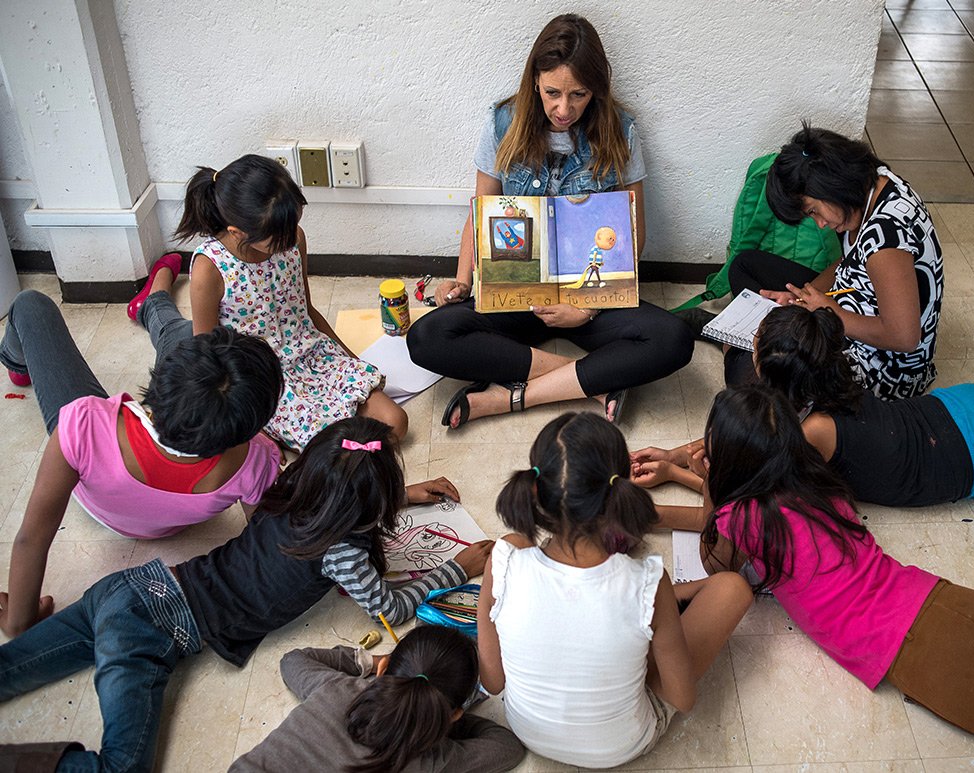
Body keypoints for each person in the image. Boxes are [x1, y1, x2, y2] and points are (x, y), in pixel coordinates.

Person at [0, 416, 492, 772]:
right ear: (373, 498)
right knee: (122, 766)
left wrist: (399, 494)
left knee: (11, 667)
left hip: (127, 589)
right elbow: (391, 607)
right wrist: (455, 567)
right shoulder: (343, 550)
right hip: (148, 631)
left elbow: (337, 487)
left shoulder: (290, 487)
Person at [697, 385, 974, 772]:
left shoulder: (739, 518)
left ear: (730, 461)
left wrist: (709, 492)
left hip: (922, 655)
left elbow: (714, 566)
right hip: (948, 600)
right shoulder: (817, 480)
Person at [632, 271, 974, 508]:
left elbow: (752, 503)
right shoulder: (827, 374)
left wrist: (680, 472)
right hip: (963, 405)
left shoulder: (808, 434)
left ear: (764, 372)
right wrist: (674, 453)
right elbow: (749, 449)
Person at [407, 14, 693, 428]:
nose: (564, 108)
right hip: (515, 292)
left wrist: (586, 308)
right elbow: (480, 210)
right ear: (535, 81)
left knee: (674, 339)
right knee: (426, 337)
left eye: (578, 94)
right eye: (553, 92)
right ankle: (589, 378)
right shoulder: (502, 122)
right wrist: (463, 280)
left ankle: (507, 398)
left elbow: (632, 233)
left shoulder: (621, 130)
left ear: (596, 88)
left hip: (587, 295)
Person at [0, 289, 283, 637]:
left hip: (99, 489)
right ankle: (156, 301)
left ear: (159, 379)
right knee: (183, 332)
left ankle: (16, 360)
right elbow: (264, 540)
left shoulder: (81, 424)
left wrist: (19, 620)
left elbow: (33, 537)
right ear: (251, 425)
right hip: (172, 522)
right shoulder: (255, 459)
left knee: (31, 304)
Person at [475, 412, 751, 768]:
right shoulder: (647, 582)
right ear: (619, 490)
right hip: (621, 746)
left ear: (536, 489)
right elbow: (682, 698)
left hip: (528, 731)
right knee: (732, 588)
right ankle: (670, 612)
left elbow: (493, 681)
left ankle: (670, 610)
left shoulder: (504, 560)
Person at [172, 153, 407, 448]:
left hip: (313, 356)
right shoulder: (210, 267)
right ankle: (156, 294)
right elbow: (205, 355)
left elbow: (305, 309)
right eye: (277, 240)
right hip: (261, 379)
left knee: (394, 424)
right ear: (237, 232)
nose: (289, 242)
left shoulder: (293, 238)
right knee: (336, 453)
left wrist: (352, 363)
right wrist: (247, 428)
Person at [753, 123, 944, 401]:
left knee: (759, 362)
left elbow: (904, 338)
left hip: (882, 369)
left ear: (830, 185)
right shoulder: (873, 183)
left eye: (814, 211)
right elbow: (850, 262)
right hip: (849, 303)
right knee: (745, 266)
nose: (819, 224)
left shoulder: (887, 241)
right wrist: (803, 297)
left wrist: (832, 312)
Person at [230, 626, 525, 773]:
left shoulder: (335, 689)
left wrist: (368, 662)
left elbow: (293, 660)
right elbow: (508, 747)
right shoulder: (432, 759)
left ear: (384, 669)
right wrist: (434, 717)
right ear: (456, 714)